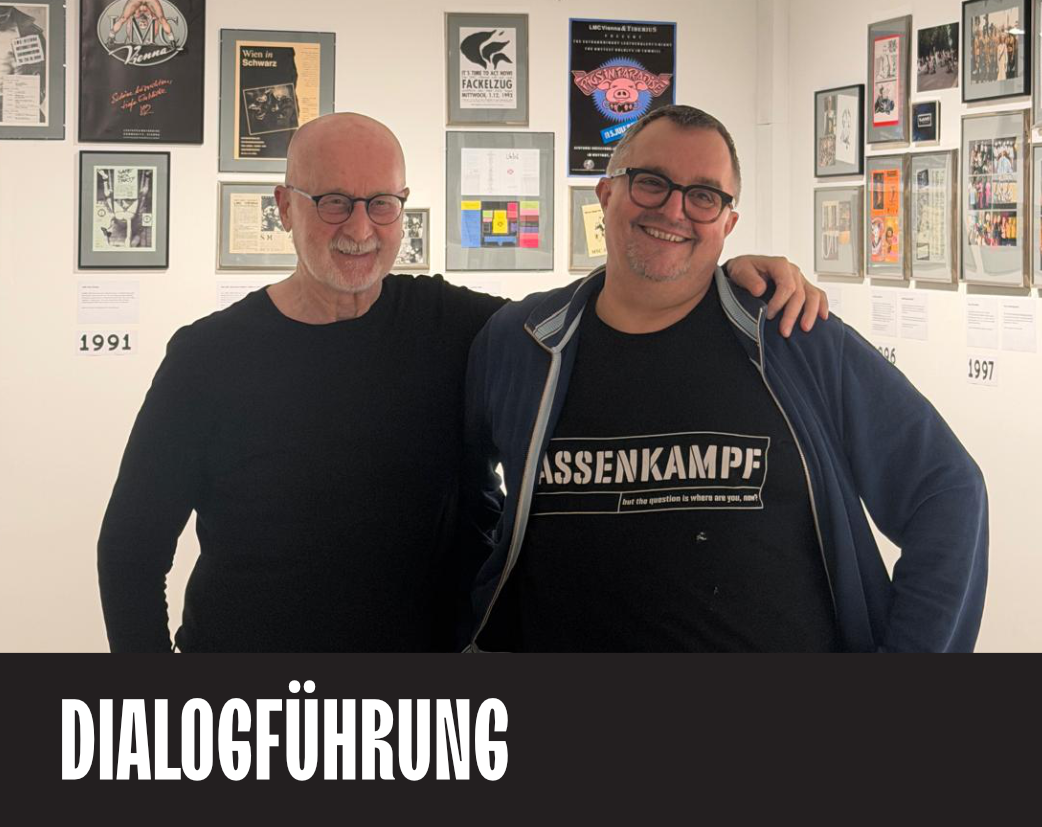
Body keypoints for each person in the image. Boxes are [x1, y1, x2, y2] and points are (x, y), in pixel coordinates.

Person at [97, 112, 828, 653]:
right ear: (285, 207)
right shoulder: (208, 358)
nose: (361, 227)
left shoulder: (456, 328)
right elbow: (130, 550)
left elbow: (599, 318)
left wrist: (724, 275)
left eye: (381, 203)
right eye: (332, 202)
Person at [463, 104, 988, 652]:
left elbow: (948, 490)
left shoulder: (796, 337)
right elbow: (459, 500)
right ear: (606, 194)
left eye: (703, 196)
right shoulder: (519, 343)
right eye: (651, 183)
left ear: (727, 223)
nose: (674, 210)